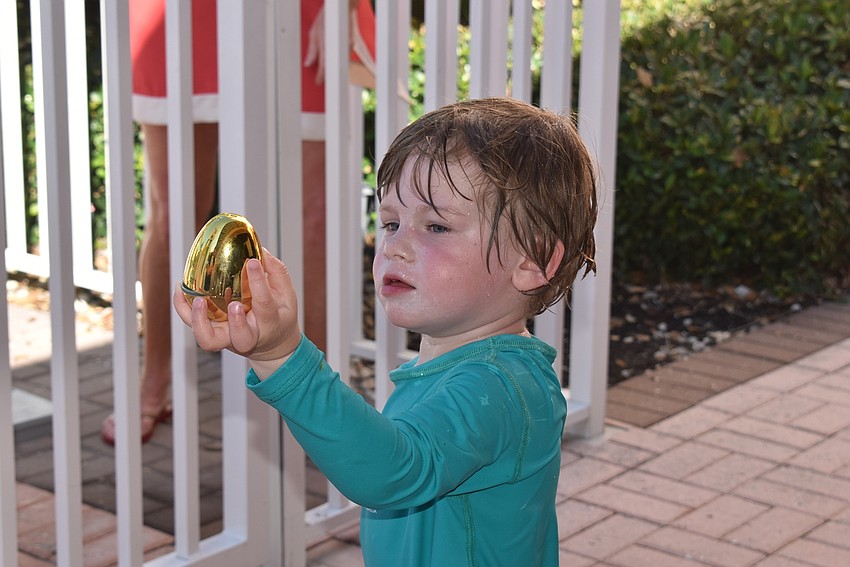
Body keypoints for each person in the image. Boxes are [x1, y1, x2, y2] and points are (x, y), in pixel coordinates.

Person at [173, 97, 599, 566]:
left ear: (533, 260)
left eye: (436, 226)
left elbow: (393, 472)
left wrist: (283, 357)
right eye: (391, 222)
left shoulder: (500, 387)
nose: (394, 246)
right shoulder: (456, 365)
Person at [101, 0, 376, 445]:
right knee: (173, 214)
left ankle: (317, 400)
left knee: (314, 218)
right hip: (180, 13)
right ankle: (154, 380)